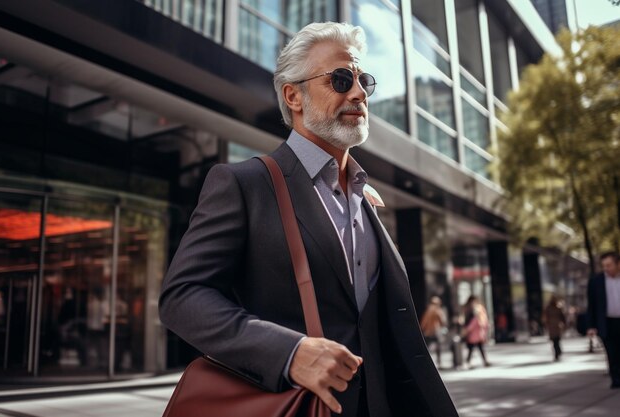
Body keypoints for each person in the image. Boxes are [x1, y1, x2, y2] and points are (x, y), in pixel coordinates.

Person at [159, 21, 458, 417]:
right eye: (339, 79)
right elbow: (182, 296)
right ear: (293, 97)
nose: (358, 93)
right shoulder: (243, 184)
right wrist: (289, 352)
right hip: (295, 406)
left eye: (362, 80)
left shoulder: (363, 197)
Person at [587, 251, 620, 389]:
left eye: (609, 265)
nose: (606, 268)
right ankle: (616, 379)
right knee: (611, 352)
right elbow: (592, 305)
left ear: (618, 264)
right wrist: (591, 326)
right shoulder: (596, 281)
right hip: (607, 323)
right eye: (604, 266)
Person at [462, 295, 490, 368]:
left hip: (475, 333)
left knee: (477, 348)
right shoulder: (472, 312)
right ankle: (469, 362)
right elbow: (471, 324)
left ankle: (483, 361)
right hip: (473, 333)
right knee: (473, 348)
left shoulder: (471, 310)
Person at [420, 296, 447, 368]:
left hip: (428, 331)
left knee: (427, 346)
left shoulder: (428, 310)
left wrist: (422, 329)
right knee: (438, 347)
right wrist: (444, 326)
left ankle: (426, 362)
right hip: (436, 331)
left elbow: (424, 322)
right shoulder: (437, 310)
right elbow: (442, 320)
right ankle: (439, 362)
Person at [543, 295, 566, 361]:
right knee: (556, 340)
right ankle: (557, 352)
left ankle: (557, 352)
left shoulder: (555, 308)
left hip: (554, 326)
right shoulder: (553, 308)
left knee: (556, 340)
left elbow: (562, 317)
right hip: (555, 326)